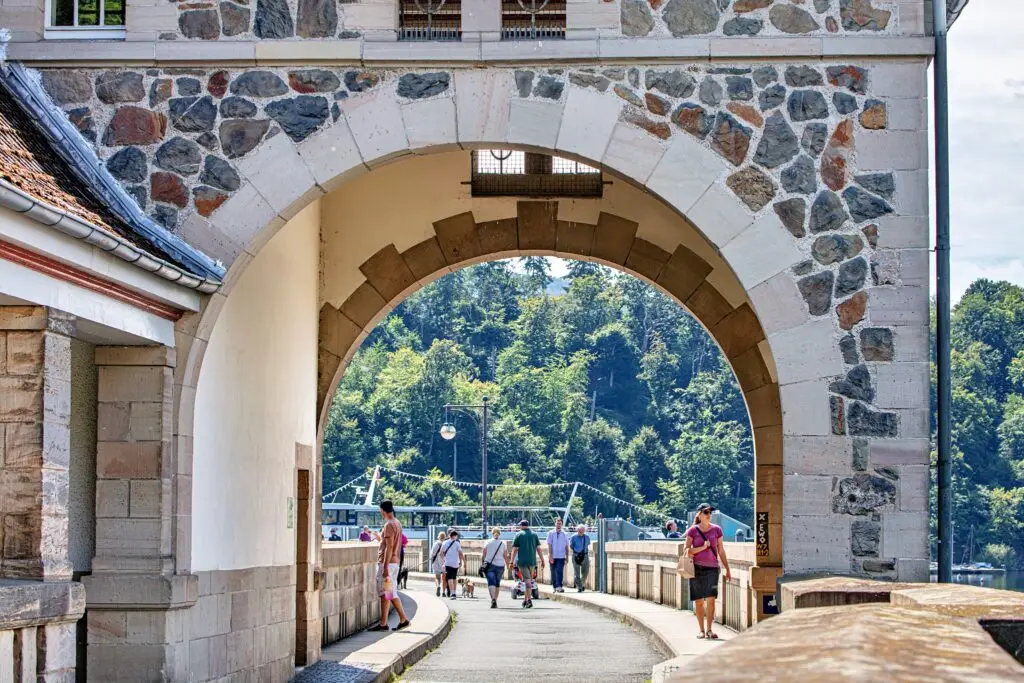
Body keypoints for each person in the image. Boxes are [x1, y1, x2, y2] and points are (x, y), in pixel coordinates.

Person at [683, 503, 731, 640]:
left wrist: (727, 568)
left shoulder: (717, 530)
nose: (709, 515)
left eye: (710, 512)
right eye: (706, 512)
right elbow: (686, 551)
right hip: (697, 568)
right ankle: (701, 630)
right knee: (698, 601)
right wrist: (702, 548)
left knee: (711, 600)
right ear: (699, 514)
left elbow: (721, 550)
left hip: (712, 568)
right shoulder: (692, 530)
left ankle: (709, 630)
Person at [369, 500, 410, 632]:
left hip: (388, 564)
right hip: (395, 562)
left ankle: (403, 619)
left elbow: (389, 547)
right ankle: (384, 623)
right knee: (389, 592)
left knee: (387, 593)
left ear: (382, 510)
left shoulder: (389, 525)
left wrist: (385, 567)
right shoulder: (397, 523)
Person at [510, 519, 544, 608]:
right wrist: (542, 560)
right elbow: (538, 549)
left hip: (522, 562)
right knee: (528, 581)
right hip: (532, 561)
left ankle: (529, 600)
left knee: (527, 582)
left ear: (521, 526)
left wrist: (511, 561)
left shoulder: (518, 534)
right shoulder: (534, 534)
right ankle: (525, 600)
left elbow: (514, 549)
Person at [482, 526, 510, 609]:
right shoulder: (503, 543)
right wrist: (508, 566)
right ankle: (495, 600)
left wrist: (483, 563)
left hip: (489, 565)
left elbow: (483, 555)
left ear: (492, 533)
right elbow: (506, 556)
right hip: (500, 566)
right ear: (499, 534)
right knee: (497, 583)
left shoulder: (487, 542)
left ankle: (493, 599)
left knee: (491, 582)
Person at [546, 518, 571, 593]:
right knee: (553, 571)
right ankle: (555, 586)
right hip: (553, 555)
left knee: (559, 571)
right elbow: (549, 545)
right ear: (555, 524)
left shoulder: (565, 534)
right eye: (557, 523)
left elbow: (567, 546)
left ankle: (559, 586)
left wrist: (567, 556)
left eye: (560, 524)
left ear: (562, 524)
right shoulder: (550, 533)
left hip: (561, 556)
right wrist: (550, 555)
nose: (558, 525)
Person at [442, 529, 464, 600]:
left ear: (449, 536)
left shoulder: (445, 542)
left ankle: (452, 593)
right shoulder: (457, 543)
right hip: (455, 563)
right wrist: (461, 561)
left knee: (449, 578)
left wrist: (444, 559)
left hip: (448, 563)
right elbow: (460, 553)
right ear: (455, 536)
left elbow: (440, 553)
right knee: (454, 578)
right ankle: (454, 592)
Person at [569, 524, 591, 592]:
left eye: (582, 531)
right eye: (580, 531)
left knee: (586, 571)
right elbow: (571, 546)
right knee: (577, 573)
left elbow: (588, 544)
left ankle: (581, 583)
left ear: (584, 531)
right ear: (577, 530)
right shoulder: (573, 537)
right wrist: (577, 551)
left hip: (585, 555)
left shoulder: (587, 537)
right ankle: (580, 587)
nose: (581, 532)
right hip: (576, 555)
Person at [429, 531, 448, 597]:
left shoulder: (436, 543)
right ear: (445, 537)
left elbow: (432, 554)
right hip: (444, 563)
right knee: (444, 578)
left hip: (436, 562)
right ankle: (443, 592)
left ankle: (438, 586)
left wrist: (431, 558)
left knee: (437, 578)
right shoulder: (446, 544)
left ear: (438, 537)